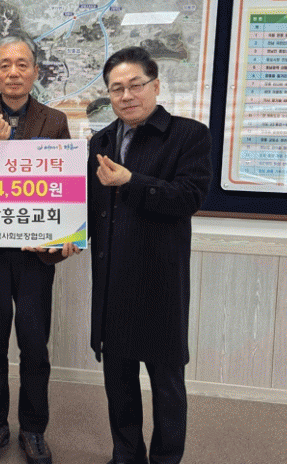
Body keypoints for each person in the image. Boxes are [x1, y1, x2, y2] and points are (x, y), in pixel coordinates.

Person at [0, 34, 80, 464]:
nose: (14, 72)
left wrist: (70, 232)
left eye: (22, 64)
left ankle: (33, 429)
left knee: (34, 345)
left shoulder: (54, 120)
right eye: (5, 65)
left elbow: (65, 185)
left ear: (35, 72)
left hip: (36, 254)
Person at [88, 46, 212, 464]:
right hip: (112, 281)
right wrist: (64, 234)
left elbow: (189, 198)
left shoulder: (188, 135)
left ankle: (164, 459)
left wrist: (132, 180)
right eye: (116, 88)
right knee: (118, 383)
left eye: (135, 85)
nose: (126, 96)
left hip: (160, 281)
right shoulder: (101, 141)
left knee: (167, 385)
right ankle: (126, 455)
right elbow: (90, 208)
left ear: (155, 86)